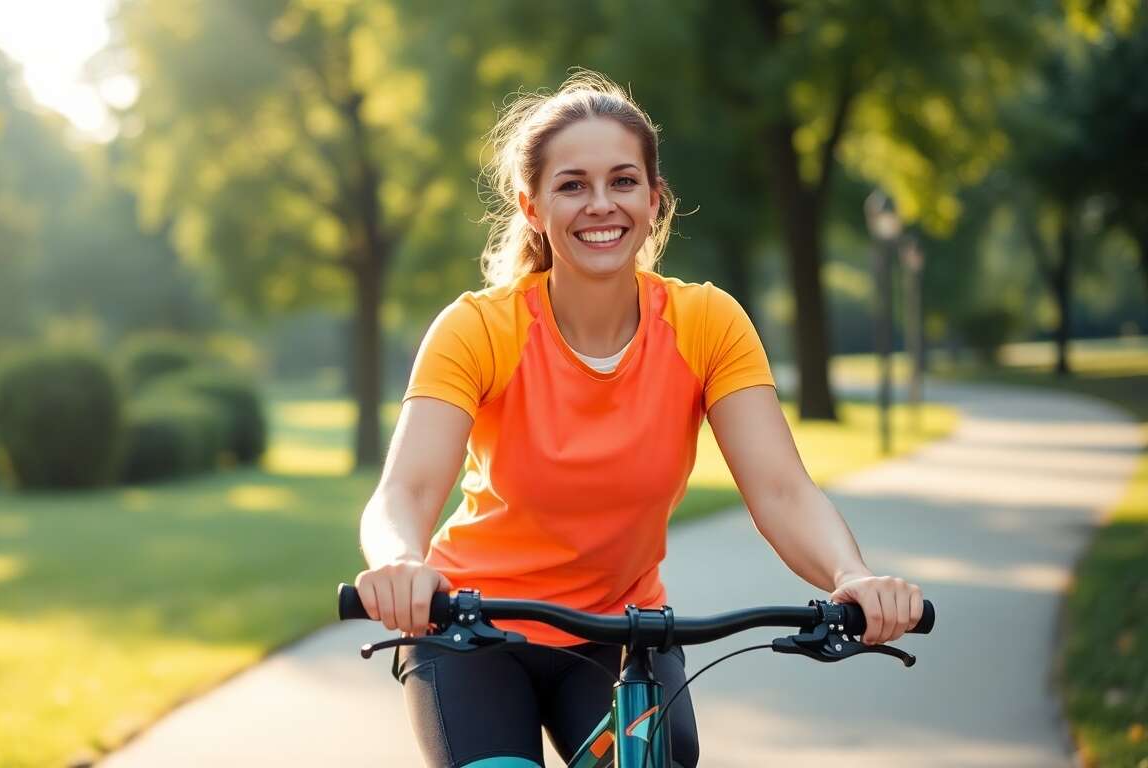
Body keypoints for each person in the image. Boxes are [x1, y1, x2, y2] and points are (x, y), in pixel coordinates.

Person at [352, 70, 925, 768]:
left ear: (654, 200)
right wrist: (401, 562)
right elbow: (404, 492)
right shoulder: (478, 329)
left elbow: (780, 490)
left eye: (623, 182)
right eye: (572, 185)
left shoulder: (707, 323)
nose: (601, 204)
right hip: (472, 629)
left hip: (622, 635)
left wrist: (852, 574)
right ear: (532, 207)